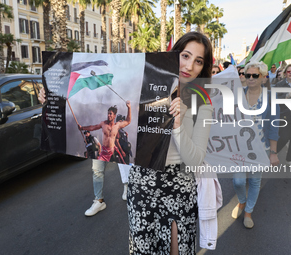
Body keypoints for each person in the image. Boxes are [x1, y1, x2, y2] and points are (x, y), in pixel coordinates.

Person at [127, 31, 213, 254]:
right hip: (142, 182)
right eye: (185, 56)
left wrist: (178, 125)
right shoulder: (144, 88)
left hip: (179, 186)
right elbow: (102, 104)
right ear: (174, 54)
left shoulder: (203, 102)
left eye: (198, 61)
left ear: (203, 68)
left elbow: (195, 162)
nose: (189, 66)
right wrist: (55, 101)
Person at [231, 61, 280, 229]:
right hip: (238, 147)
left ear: (263, 78)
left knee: (254, 181)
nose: (250, 78)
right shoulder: (237, 95)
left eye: (255, 75)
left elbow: (274, 126)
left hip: (260, 148)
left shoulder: (270, 99)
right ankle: (242, 202)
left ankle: (248, 212)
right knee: (238, 182)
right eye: (247, 75)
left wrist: (273, 152)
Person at [78, 103, 132, 216]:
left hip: (113, 151)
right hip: (104, 153)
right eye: (108, 113)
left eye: (110, 114)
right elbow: (93, 127)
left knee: (123, 166)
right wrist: (82, 127)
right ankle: (99, 201)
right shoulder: (103, 124)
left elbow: (128, 121)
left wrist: (129, 108)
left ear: (114, 115)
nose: (108, 115)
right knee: (97, 171)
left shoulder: (117, 125)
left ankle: (127, 188)